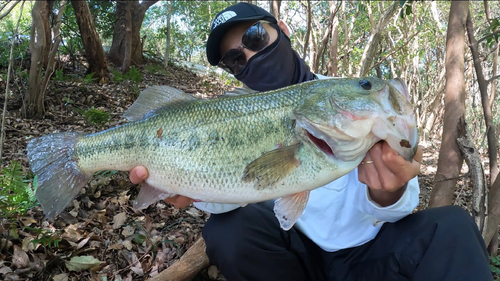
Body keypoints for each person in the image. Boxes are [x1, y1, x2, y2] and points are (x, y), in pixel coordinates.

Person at [130, 3, 493, 280]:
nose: (251, 56)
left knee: (454, 228)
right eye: (235, 59)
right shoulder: (227, 116)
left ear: (282, 29)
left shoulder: (346, 99)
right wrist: (189, 189)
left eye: (256, 37)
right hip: (295, 259)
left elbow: (402, 204)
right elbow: (231, 198)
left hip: (368, 255)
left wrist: (389, 191)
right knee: (226, 232)